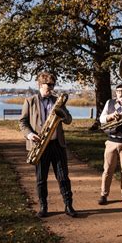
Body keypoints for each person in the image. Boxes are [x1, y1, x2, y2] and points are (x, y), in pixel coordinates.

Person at [19, 72, 77, 218]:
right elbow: (23, 122)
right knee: (41, 178)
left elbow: (68, 120)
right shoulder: (29, 101)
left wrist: (62, 110)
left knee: (63, 177)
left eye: (53, 85)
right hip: (39, 145)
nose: (51, 88)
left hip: (57, 144)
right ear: (40, 84)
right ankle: (43, 207)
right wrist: (30, 135)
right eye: (48, 85)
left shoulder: (58, 100)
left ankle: (68, 205)